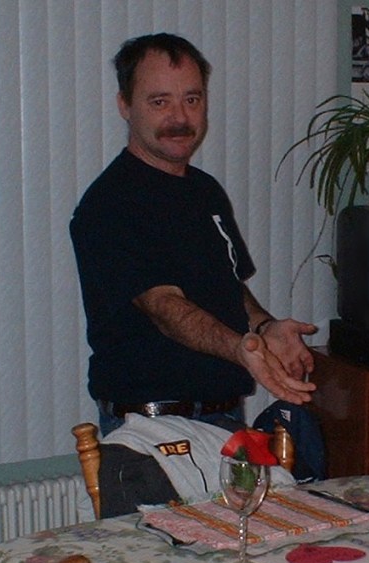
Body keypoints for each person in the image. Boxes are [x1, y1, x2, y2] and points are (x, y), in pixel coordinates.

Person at [70, 33, 316, 436]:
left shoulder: (205, 191)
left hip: (225, 419)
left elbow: (228, 287)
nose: (180, 118)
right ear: (125, 106)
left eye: (192, 99)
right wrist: (240, 349)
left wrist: (265, 330)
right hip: (151, 426)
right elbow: (165, 308)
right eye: (159, 101)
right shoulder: (109, 205)